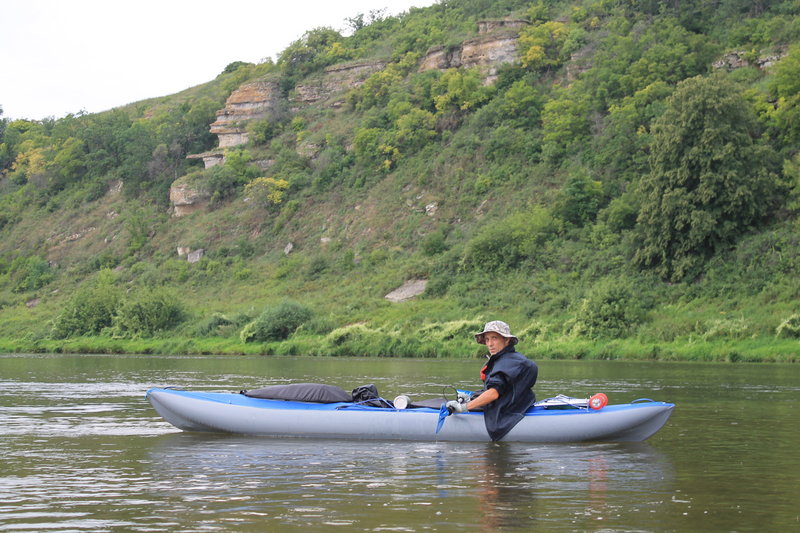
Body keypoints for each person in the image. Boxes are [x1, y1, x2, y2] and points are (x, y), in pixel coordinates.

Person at [446, 320, 538, 441]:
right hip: (518, 406)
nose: (490, 344)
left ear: (507, 340)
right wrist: (472, 396)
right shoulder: (513, 359)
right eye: (487, 339)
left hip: (505, 415)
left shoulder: (506, 362)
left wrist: (464, 407)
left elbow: (493, 393)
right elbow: (505, 390)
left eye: (494, 338)